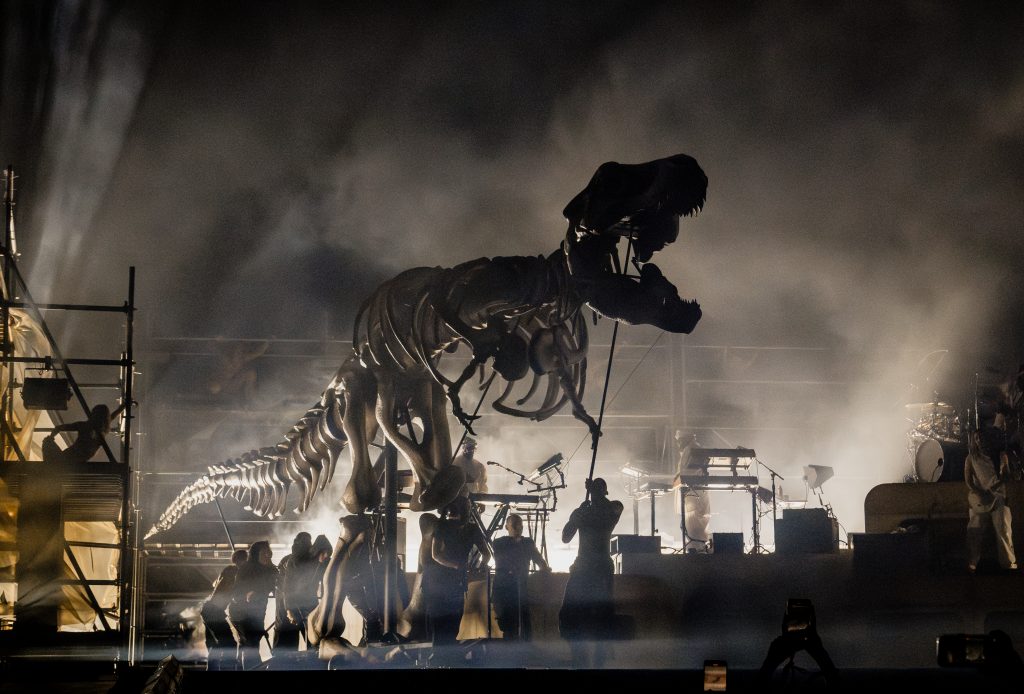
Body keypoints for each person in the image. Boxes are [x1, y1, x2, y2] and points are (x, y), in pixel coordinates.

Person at [559, 477, 624, 667]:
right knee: (568, 613)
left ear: (603, 493)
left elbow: (612, 509)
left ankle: (598, 660)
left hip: (600, 566)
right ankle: (579, 656)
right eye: (593, 490)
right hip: (584, 565)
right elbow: (565, 537)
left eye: (597, 490)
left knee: (602, 614)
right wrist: (577, 515)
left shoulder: (612, 508)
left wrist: (590, 502)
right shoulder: (584, 512)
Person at [423, 496, 490, 648]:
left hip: (445, 583)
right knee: (446, 627)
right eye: (467, 508)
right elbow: (435, 555)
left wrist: (466, 568)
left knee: (445, 627)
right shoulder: (451, 527)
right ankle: (444, 659)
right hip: (443, 583)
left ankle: (444, 659)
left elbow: (436, 555)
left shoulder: (444, 526)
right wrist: (471, 568)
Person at [965, 429, 1017, 572]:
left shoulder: (1000, 456)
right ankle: (971, 565)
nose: (979, 441)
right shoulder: (971, 458)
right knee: (974, 533)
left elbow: (1005, 475)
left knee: (1004, 532)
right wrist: (978, 492)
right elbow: (968, 480)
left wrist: (1005, 473)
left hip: (998, 498)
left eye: (981, 438)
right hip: (979, 500)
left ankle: (1009, 566)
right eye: (976, 438)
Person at [491, 513, 550, 640]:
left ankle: (525, 651)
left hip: (520, 588)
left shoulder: (528, 543)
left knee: (524, 623)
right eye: (515, 524)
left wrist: (544, 567)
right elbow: (503, 560)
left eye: (520, 525)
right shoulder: (499, 543)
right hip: (504, 589)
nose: (519, 527)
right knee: (508, 625)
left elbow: (538, 559)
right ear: (507, 527)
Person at [226, 540, 278, 669]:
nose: (267, 555)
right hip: (241, 613)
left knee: (250, 644)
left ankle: (242, 668)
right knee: (251, 645)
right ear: (256, 554)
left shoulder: (270, 570)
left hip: (258, 612)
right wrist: (246, 595)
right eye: (264, 552)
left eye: (269, 552)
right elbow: (235, 593)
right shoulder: (246, 569)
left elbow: (276, 584)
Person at [201, 548, 247, 671]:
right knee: (229, 645)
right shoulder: (236, 573)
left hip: (208, 609)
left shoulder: (228, 569)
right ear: (243, 560)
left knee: (215, 647)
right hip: (214, 612)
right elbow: (236, 594)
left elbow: (216, 585)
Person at [42, 402, 129, 464]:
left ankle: (47, 465)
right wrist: (122, 407)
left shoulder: (84, 426)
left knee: (46, 441)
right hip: (79, 462)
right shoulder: (103, 431)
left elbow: (59, 428)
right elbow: (112, 416)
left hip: (66, 458)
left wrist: (51, 437)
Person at [274, 532, 314, 652]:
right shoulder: (295, 560)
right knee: (302, 639)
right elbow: (287, 585)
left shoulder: (288, 559)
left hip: (288, 603)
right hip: (290, 604)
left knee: (287, 642)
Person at [672, 431, 711, 551]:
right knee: (694, 527)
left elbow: (686, 474)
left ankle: (696, 553)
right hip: (694, 495)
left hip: (694, 495)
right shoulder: (691, 449)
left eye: (679, 441)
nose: (678, 444)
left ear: (686, 439)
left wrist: (674, 482)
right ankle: (697, 550)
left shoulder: (691, 449)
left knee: (695, 528)